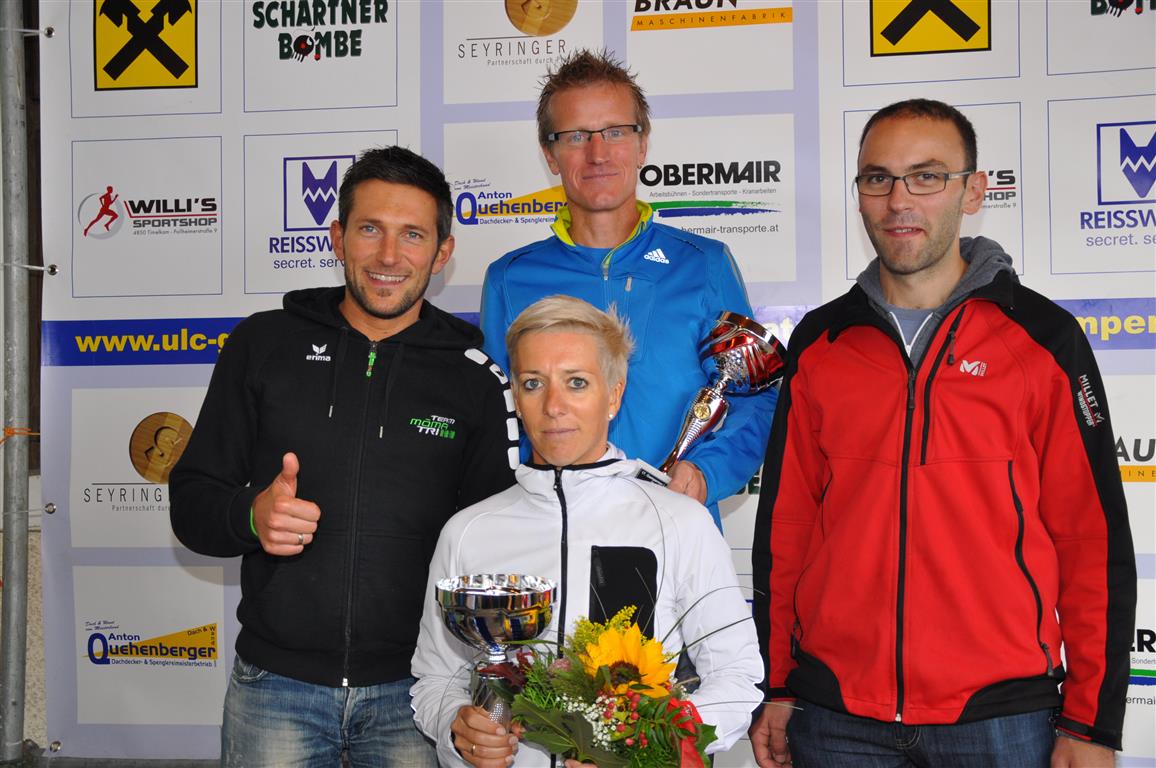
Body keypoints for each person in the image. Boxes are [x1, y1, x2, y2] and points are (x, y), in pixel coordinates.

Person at [749, 98, 1136, 768]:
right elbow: (787, 528)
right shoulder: (821, 340)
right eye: (878, 178)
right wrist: (779, 684)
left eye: (926, 176)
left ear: (973, 191)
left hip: (1001, 720)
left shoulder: (1043, 339)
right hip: (835, 715)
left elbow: (1091, 540)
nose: (899, 200)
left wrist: (1092, 723)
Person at [169, 146, 519, 767]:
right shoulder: (263, 344)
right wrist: (251, 516)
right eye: (370, 229)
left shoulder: (476, 380)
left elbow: (496, 548)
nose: (388, 256)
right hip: (276, 689)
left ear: (441, 253)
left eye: (412, 234)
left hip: (418, 692)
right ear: (337, 238)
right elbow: (192, 502)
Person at [411, 295, 764, 767]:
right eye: (533, 383)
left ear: (614, 395)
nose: (554, 406)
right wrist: (458, 730)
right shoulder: (469, 530)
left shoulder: (679, 522)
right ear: (516, 397)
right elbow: (436, 679)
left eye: (576, 382)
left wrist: (649, 748)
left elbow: (736, 676)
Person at [480, 49, 777, 526]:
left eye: (616, 132)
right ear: (550, 154)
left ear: (642, 145)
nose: (598, 153)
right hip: (552, 532)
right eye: (576, 136)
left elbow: (754, 396)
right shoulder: (510, 278)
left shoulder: (704, 264)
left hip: (677, 526)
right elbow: (496, 421)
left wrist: (706, 472)